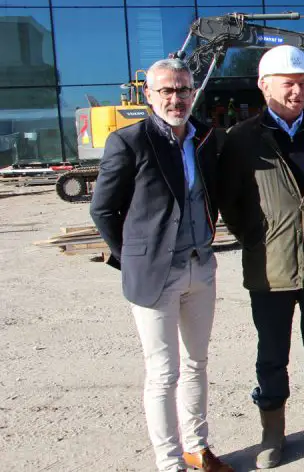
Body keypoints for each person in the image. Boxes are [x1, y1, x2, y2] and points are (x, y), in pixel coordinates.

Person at [90, 58, 233, 472]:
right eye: (167, 91)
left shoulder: (205, 137)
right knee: (163, 372)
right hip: (156, 274)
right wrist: (132, 257)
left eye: (183, 90)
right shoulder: (129, 141)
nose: (176, 98)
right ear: (149, 95)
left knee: (196, 364)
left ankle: (197, 448)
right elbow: (103, 210)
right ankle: (170, 463)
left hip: (200, 268)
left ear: (193, 93)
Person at [216, 45, 304, 469]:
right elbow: (229, 201)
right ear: (264, 86)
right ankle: (272, 433)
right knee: (271, 354)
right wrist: (257, 237)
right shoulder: (242, 140)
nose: (297, 91)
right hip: (269, 269)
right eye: (288, 83)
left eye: (303, 83)